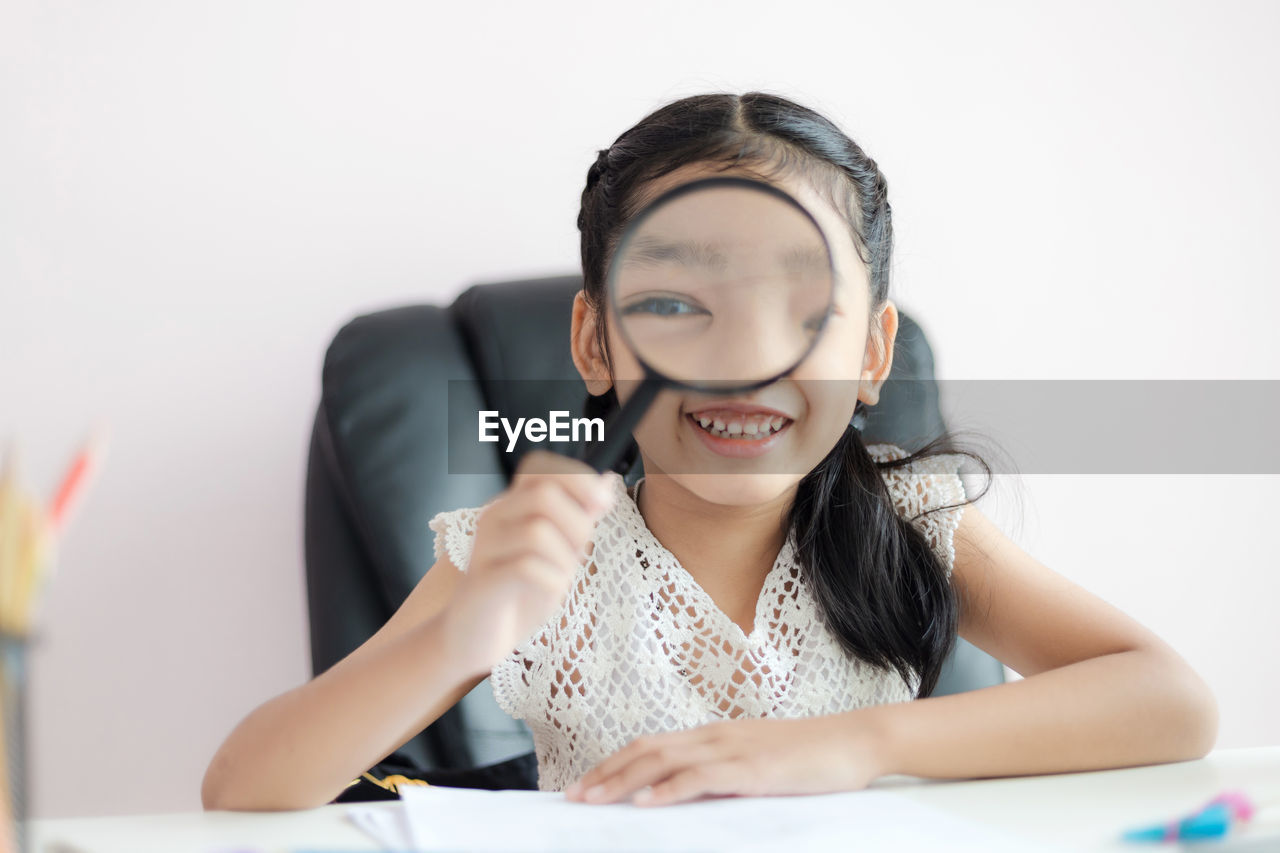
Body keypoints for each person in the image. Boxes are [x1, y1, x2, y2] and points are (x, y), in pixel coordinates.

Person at [201, 92, 1218, 812]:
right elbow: (244, 787)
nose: (744, 360)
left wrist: (852, 745)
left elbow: (1169, 701)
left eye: (803, 310)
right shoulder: (530, 561)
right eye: (678, 305)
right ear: (596, 342)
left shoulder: (912, 520)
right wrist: (457, 636)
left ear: (871, 355)